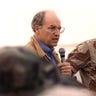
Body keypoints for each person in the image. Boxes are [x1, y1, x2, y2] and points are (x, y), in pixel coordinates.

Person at [25, 10, 72, 77]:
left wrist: (66, 76)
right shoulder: (28, 56)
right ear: (37, 29)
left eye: (59, 29)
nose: (57, 33)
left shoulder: (51, 52)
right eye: (52, 28)